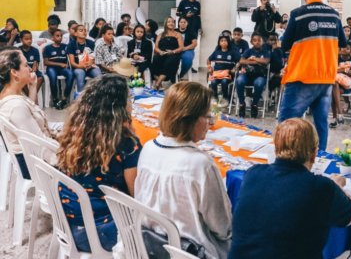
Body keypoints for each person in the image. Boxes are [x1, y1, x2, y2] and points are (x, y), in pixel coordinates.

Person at [229, 118, 351, 259]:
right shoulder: (321, 187)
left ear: (276, 148)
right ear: (314, 154)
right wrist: (337, 187)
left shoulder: (253, 174)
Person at [135, 82, 232, 259]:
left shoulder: (148, 148)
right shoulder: (200, 163)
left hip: (149, 244)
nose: (210, 123)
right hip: (189, 251)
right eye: (207, 116)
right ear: (190, 119)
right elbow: (222, 227)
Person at [57, 74, 142, 253]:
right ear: (120, 107)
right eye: (129, 99)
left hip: (66, 223)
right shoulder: (127, 144)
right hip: (101, 232)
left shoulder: (75, 131)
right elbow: (137, 196)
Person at [279, 0, 347, 151]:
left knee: (287, 121)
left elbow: (285, 45)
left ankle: (284, 159)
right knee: (320, 122)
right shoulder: (334, 15)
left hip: (303, 75)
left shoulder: (298, 14)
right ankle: (320, 157)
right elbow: (343, 43)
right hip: (326, 76)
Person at [0, 48, 56, 180]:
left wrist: (32, 87)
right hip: (33, 164)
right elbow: (39, 144)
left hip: (30, 156)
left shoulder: (13, 95)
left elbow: (28, 115)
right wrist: (66, 154)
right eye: (25, 65)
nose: (30, 68)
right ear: (14, 73)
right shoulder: (15, 106)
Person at [236, 33, 270, 118]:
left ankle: (254, 105)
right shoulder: (249, 51)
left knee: (259, 83)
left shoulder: (266, 52)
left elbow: (266, 61)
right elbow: (241, 61)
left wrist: (253, 58)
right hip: (247, 75)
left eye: (259, 40)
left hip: (259, 76)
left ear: (262, 42)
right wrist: (257, 62)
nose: (257, 42)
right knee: (239, 81)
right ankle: (241, 104)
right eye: (255, 40)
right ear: (251, 42)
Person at [330, 44, 351, 128]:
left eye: (347, 48)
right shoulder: (335, 58)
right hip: (337, 85)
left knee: (333, 90)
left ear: (350, 50)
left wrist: (341, 69)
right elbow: (331, 71)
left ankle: (335, 118)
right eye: (343, 48)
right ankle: (339, 114)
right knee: (334, 86)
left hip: (347, 84)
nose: (345, 50)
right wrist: (345, 69)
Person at [43, 29, 74, 109]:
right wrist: (59, 64)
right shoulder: (47, 48)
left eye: (61, 36)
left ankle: (64, 98)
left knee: (71, 74)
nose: (59, 38)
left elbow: (68, 58)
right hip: (52, 67)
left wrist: (67, 64)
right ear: (53, 37)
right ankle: (55, 99)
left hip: (63, 68)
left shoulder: (65, 47)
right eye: (57, 36)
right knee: (53, 78)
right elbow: (46, 62)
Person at [67, 24, 101, 94]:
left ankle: (97, 97)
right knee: (80, 74)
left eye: (85, 30)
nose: (84, 32)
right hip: (78, 67)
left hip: (90, 67)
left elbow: (94, 57)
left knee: (98, 74)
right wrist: (82, 66)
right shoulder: (71, 44)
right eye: (81, 30)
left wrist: (90, 64)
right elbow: (72, 63)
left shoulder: (91, 43)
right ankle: (80, 98)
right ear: (76, 33)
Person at [208, 35, 240, 106]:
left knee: (224, 82)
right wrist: (209, 67)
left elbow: (239, 61)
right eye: (221, 41)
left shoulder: (232, 52)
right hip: (217, 74)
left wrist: (234, 68)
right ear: (219, 43)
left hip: (227, 74)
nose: (223, 42)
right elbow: (209, 59)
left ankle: (225, 99)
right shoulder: (216, 52)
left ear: (228, 42)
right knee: (213, 82)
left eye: (225, 41)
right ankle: (215, 98)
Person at [152, 17, 183, 90]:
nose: (171, 23)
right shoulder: (160, 35)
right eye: (169, 22)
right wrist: (160, 51)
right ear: (166, 23)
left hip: (173, 53)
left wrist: (172, 51)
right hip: (162, 53)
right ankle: (159, 83)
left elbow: (181, 47)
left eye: (172, 22)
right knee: (155, 59)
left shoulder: (178, 34)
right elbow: (156, 47)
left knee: (170, 62)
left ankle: (158, 83)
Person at [18, 30, 44, 98]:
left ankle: (33, 95)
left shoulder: (35, 50)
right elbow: (18, 65)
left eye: (30, 38)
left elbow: (36, 64)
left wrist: (32, 71)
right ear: (21, 40)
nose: (29, 41)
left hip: (33, 70)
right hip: (22, 70)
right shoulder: (18, 50)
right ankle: (29, 96)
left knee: (40, 77)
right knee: (21, 78)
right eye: (26, 39)